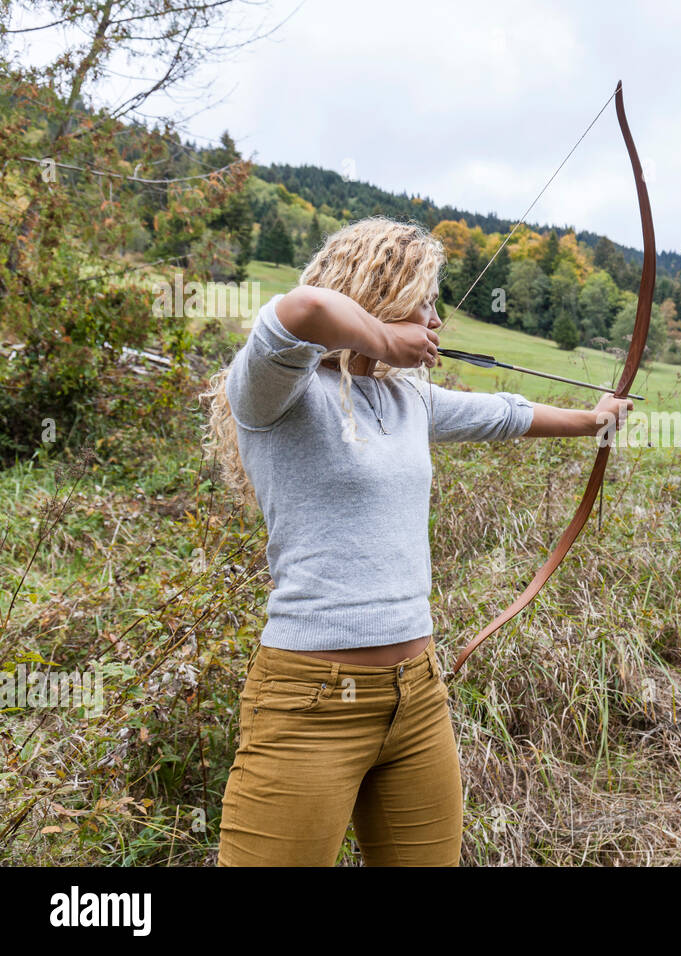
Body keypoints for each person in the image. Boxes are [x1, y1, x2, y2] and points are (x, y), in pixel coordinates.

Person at [200, 216, 631, 866]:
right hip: (312, 700)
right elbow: (303, 309)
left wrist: (593, 421)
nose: (435, 321)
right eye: (422, 303)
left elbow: (504, 415)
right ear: (376, 296)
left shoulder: (407, 398)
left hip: (418, 698)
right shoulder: (273, 392)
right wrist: (386, 339)